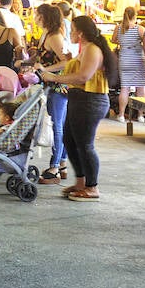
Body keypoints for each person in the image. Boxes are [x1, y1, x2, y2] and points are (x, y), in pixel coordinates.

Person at [40, 16, 116, 202]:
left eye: (72, 29)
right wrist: (69, 61)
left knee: (85, 144)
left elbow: (83, 76)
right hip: (79, 100)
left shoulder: (92, 49)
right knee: (70, 141)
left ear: (80, 33)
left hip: (90, 101)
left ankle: (92, 186)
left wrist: (54, 78)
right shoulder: (85, 49)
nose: (70, 33)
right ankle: (81, 182)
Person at [30, 4, 70, 184]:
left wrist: (47, 70)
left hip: (58, 86)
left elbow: (66, 62)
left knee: (57, 125)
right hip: (49, 84)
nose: (35, 17)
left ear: (44, 17)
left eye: (37, 14)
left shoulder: (55, 37)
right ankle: (61, 164)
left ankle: (55, 166)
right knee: (57, 123)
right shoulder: (45, 34)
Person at [112, 7, 145, 123]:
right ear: (135, 16)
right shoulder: (139, 29)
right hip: (138, 59)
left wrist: (122, 42)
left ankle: (121, 115)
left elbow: (113, 40)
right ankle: (140, 115)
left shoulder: (118, 28)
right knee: (140, 88)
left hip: (124, 59)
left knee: (125, 88)